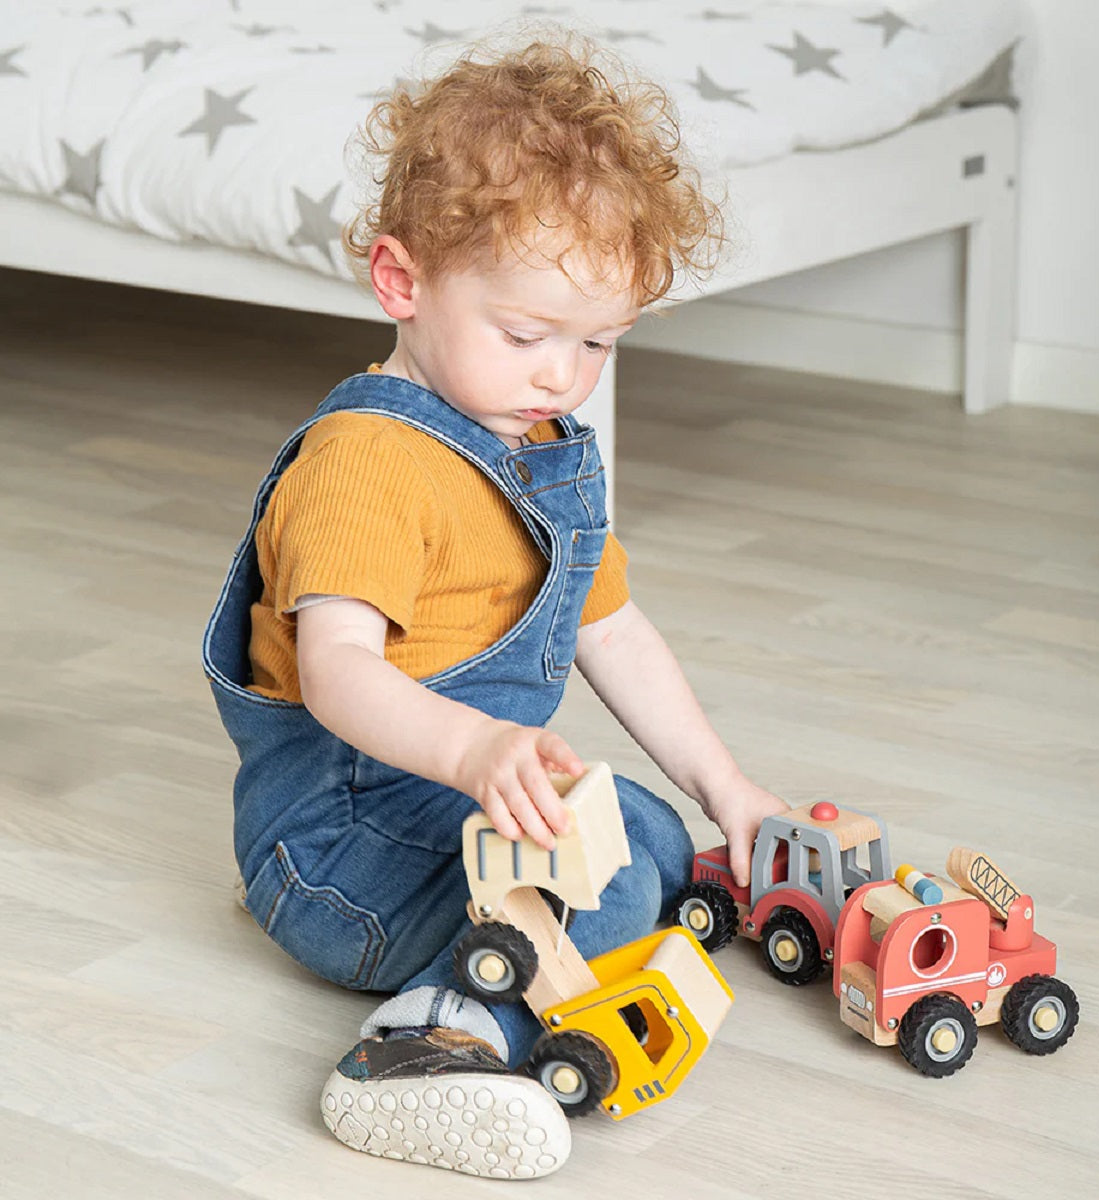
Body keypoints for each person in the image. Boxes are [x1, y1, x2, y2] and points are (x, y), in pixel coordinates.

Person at [202, 35, 786, 1180]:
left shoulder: (541, 451)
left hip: (445, 807)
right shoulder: (368, 463)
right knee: (614, 876)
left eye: (597, 345)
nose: (562, 377)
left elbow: (611, 625)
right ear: (402, 282)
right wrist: (475, 748)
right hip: (343, 842)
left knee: (652, 835)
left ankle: (512, 976)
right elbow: (338, 671)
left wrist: (727, 789)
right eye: (525, 336)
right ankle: (430, 1044)